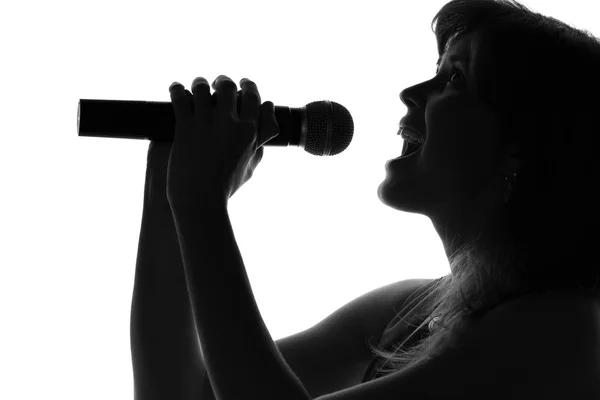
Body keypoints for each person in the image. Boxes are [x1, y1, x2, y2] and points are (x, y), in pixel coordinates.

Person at [130, 1, 600, 399]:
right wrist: (167, 189)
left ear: (524, 148)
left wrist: (203, 207)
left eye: (455, 78)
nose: (410, 93)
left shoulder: (568, 329)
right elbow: (179, 394)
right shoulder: (410, 311)